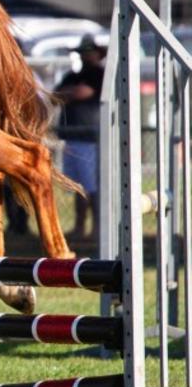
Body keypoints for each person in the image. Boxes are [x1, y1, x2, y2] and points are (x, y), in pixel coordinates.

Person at [54, 34, 106, 238]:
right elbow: (56, 95)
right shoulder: (72, 76)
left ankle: (97, 228)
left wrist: (72, 93)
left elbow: (82, 93)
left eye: (88, 52)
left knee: (92, 186)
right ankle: (79, 226)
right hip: (71, 138)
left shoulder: (99, 75)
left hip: (90, 139)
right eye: (82, 53)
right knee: (78, 187)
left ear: (96, 53)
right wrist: (72, 92)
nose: (85, 56)